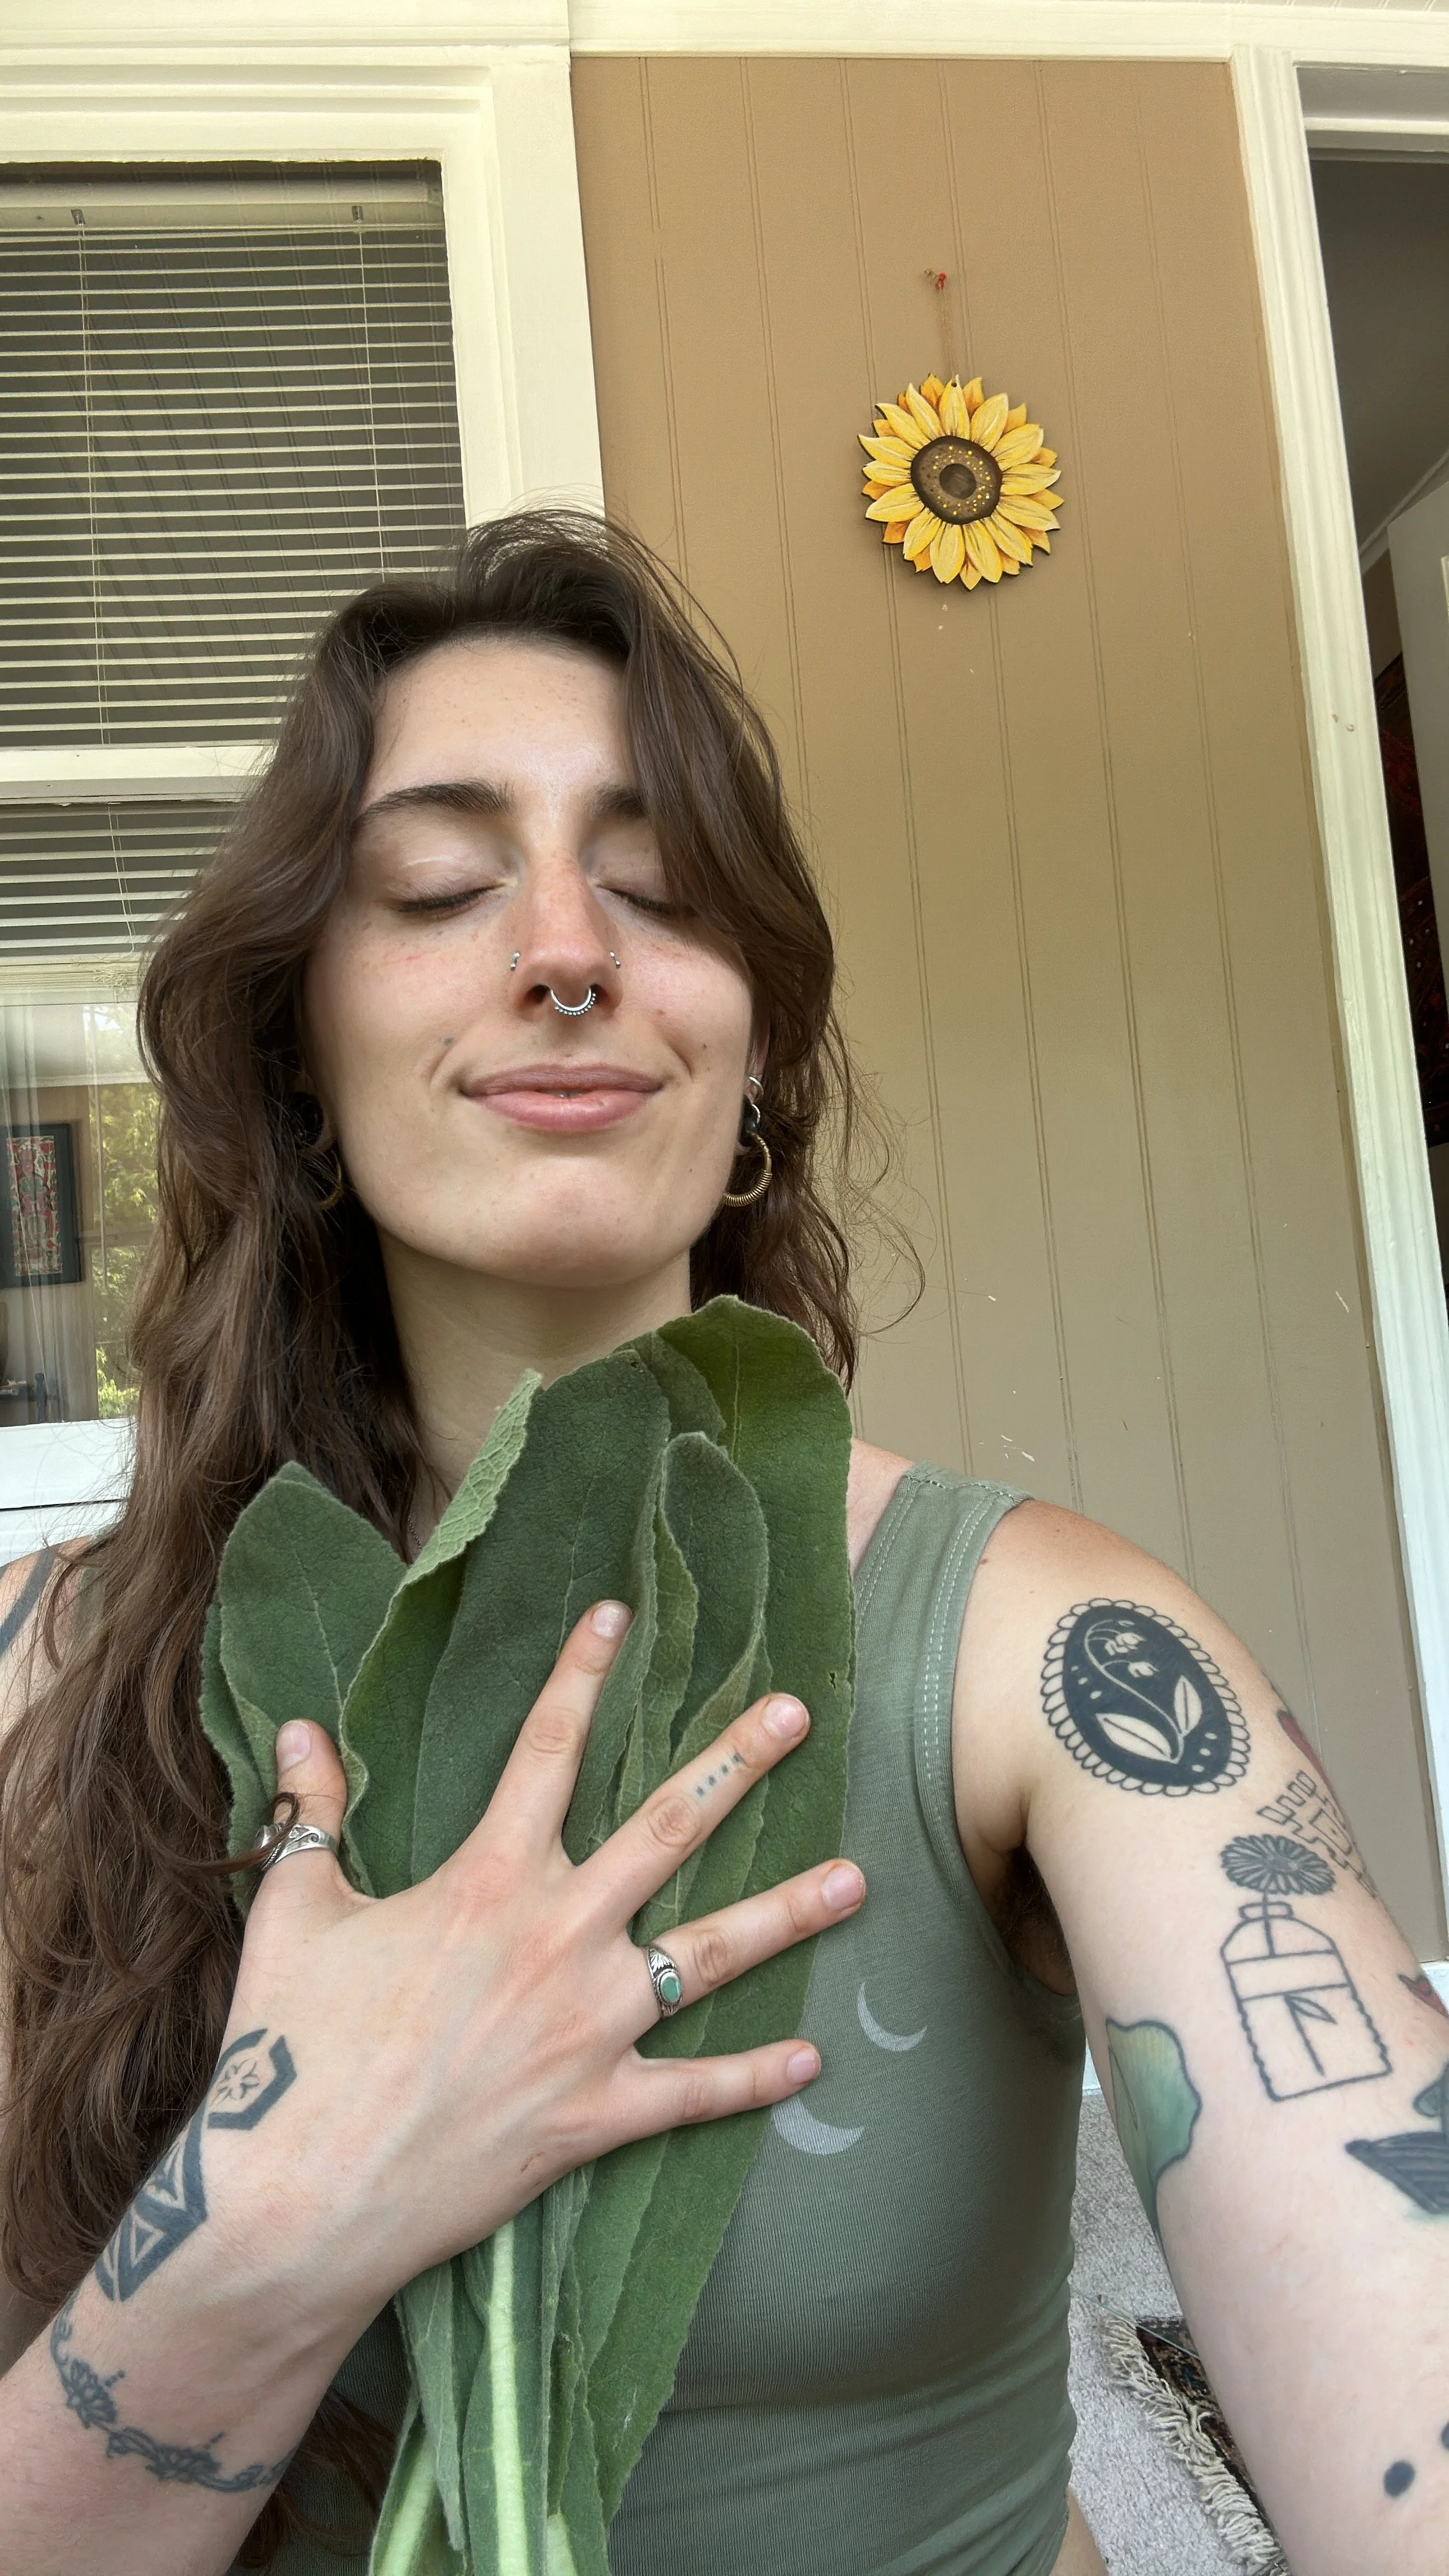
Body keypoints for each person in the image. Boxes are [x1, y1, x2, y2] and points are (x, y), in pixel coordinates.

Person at [0, 513, 1442, 2576]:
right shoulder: (52, 1679)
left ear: (750, 1047)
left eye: (659, 890)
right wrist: (290, 2196)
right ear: (298, 1068)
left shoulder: (1040, 1656)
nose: (568, 948)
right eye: (435, 886)